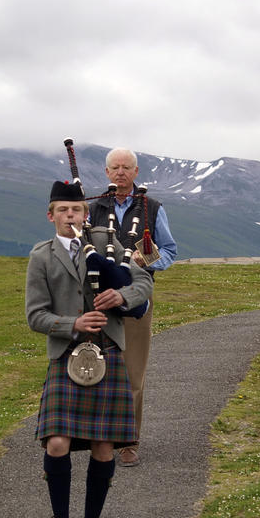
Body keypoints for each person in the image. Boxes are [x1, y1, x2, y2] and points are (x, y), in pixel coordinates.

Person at [25, 180, 153, 518]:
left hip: (108, 350)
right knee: (57, 442)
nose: (70, 216)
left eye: (76, 210)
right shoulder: (42, 256)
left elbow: (143, 279)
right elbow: (35, 315)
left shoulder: (108, 245)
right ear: (51, 216)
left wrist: (123, 295)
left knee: (102, 446)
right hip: (68, 355)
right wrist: (72, 324)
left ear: (85, 213)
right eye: (62, 211)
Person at [88, 148, 177, 466]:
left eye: (127, 167)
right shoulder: (94, 207)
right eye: (115, 167)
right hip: (97, 299)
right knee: (97, 367)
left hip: (138, 298)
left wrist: (144, 258)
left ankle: (129, 442)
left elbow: (168, 250)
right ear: (107, 172)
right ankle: (100, 438)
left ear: (136, 172)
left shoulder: (152, 207)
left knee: (132, 372)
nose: (121, 172)